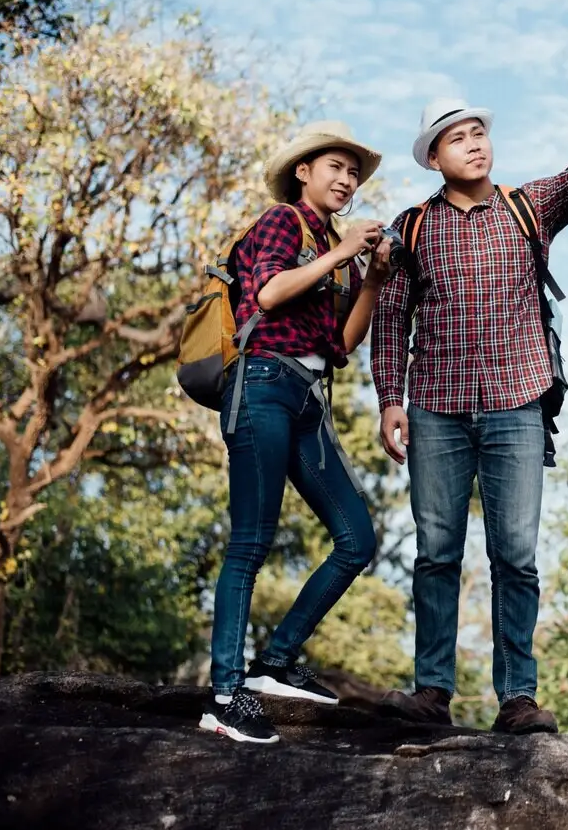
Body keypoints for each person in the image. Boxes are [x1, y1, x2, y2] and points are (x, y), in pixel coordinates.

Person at [371, 77, 568, 734]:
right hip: (435, 409)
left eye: (478, 133)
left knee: (516, 556)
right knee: (436, 553)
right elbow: (390, 319)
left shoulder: (527, 207)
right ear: (434, 158)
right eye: (456, 139)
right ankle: (432, 691)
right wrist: (390, 400)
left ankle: (518, 699)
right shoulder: (411, 229)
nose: (473, 144)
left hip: (517, 406)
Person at [200, 121, 392, 744]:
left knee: (356, 539)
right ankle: (225, 695)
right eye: (336, 166)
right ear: (303, 172)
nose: (347, 179)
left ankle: (275, 661)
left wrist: (371, 278)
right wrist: (343, 252)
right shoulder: (282, 221)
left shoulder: (333, 246)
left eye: (354, 173)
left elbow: (342, 344)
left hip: (308, 397)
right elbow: (268, 292)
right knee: (250, 543)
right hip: (262, 383)